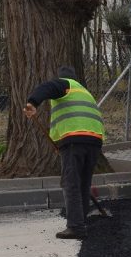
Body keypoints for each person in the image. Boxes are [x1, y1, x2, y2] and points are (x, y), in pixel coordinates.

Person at [24, 66, 105, 239]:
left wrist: (32, 102)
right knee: (83, 184)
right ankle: (81, 221)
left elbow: (47, 87)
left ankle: (75, 226)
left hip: (76, 139)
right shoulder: (84, 91)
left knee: (71, 183)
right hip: (94, 141)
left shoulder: (65, 84)